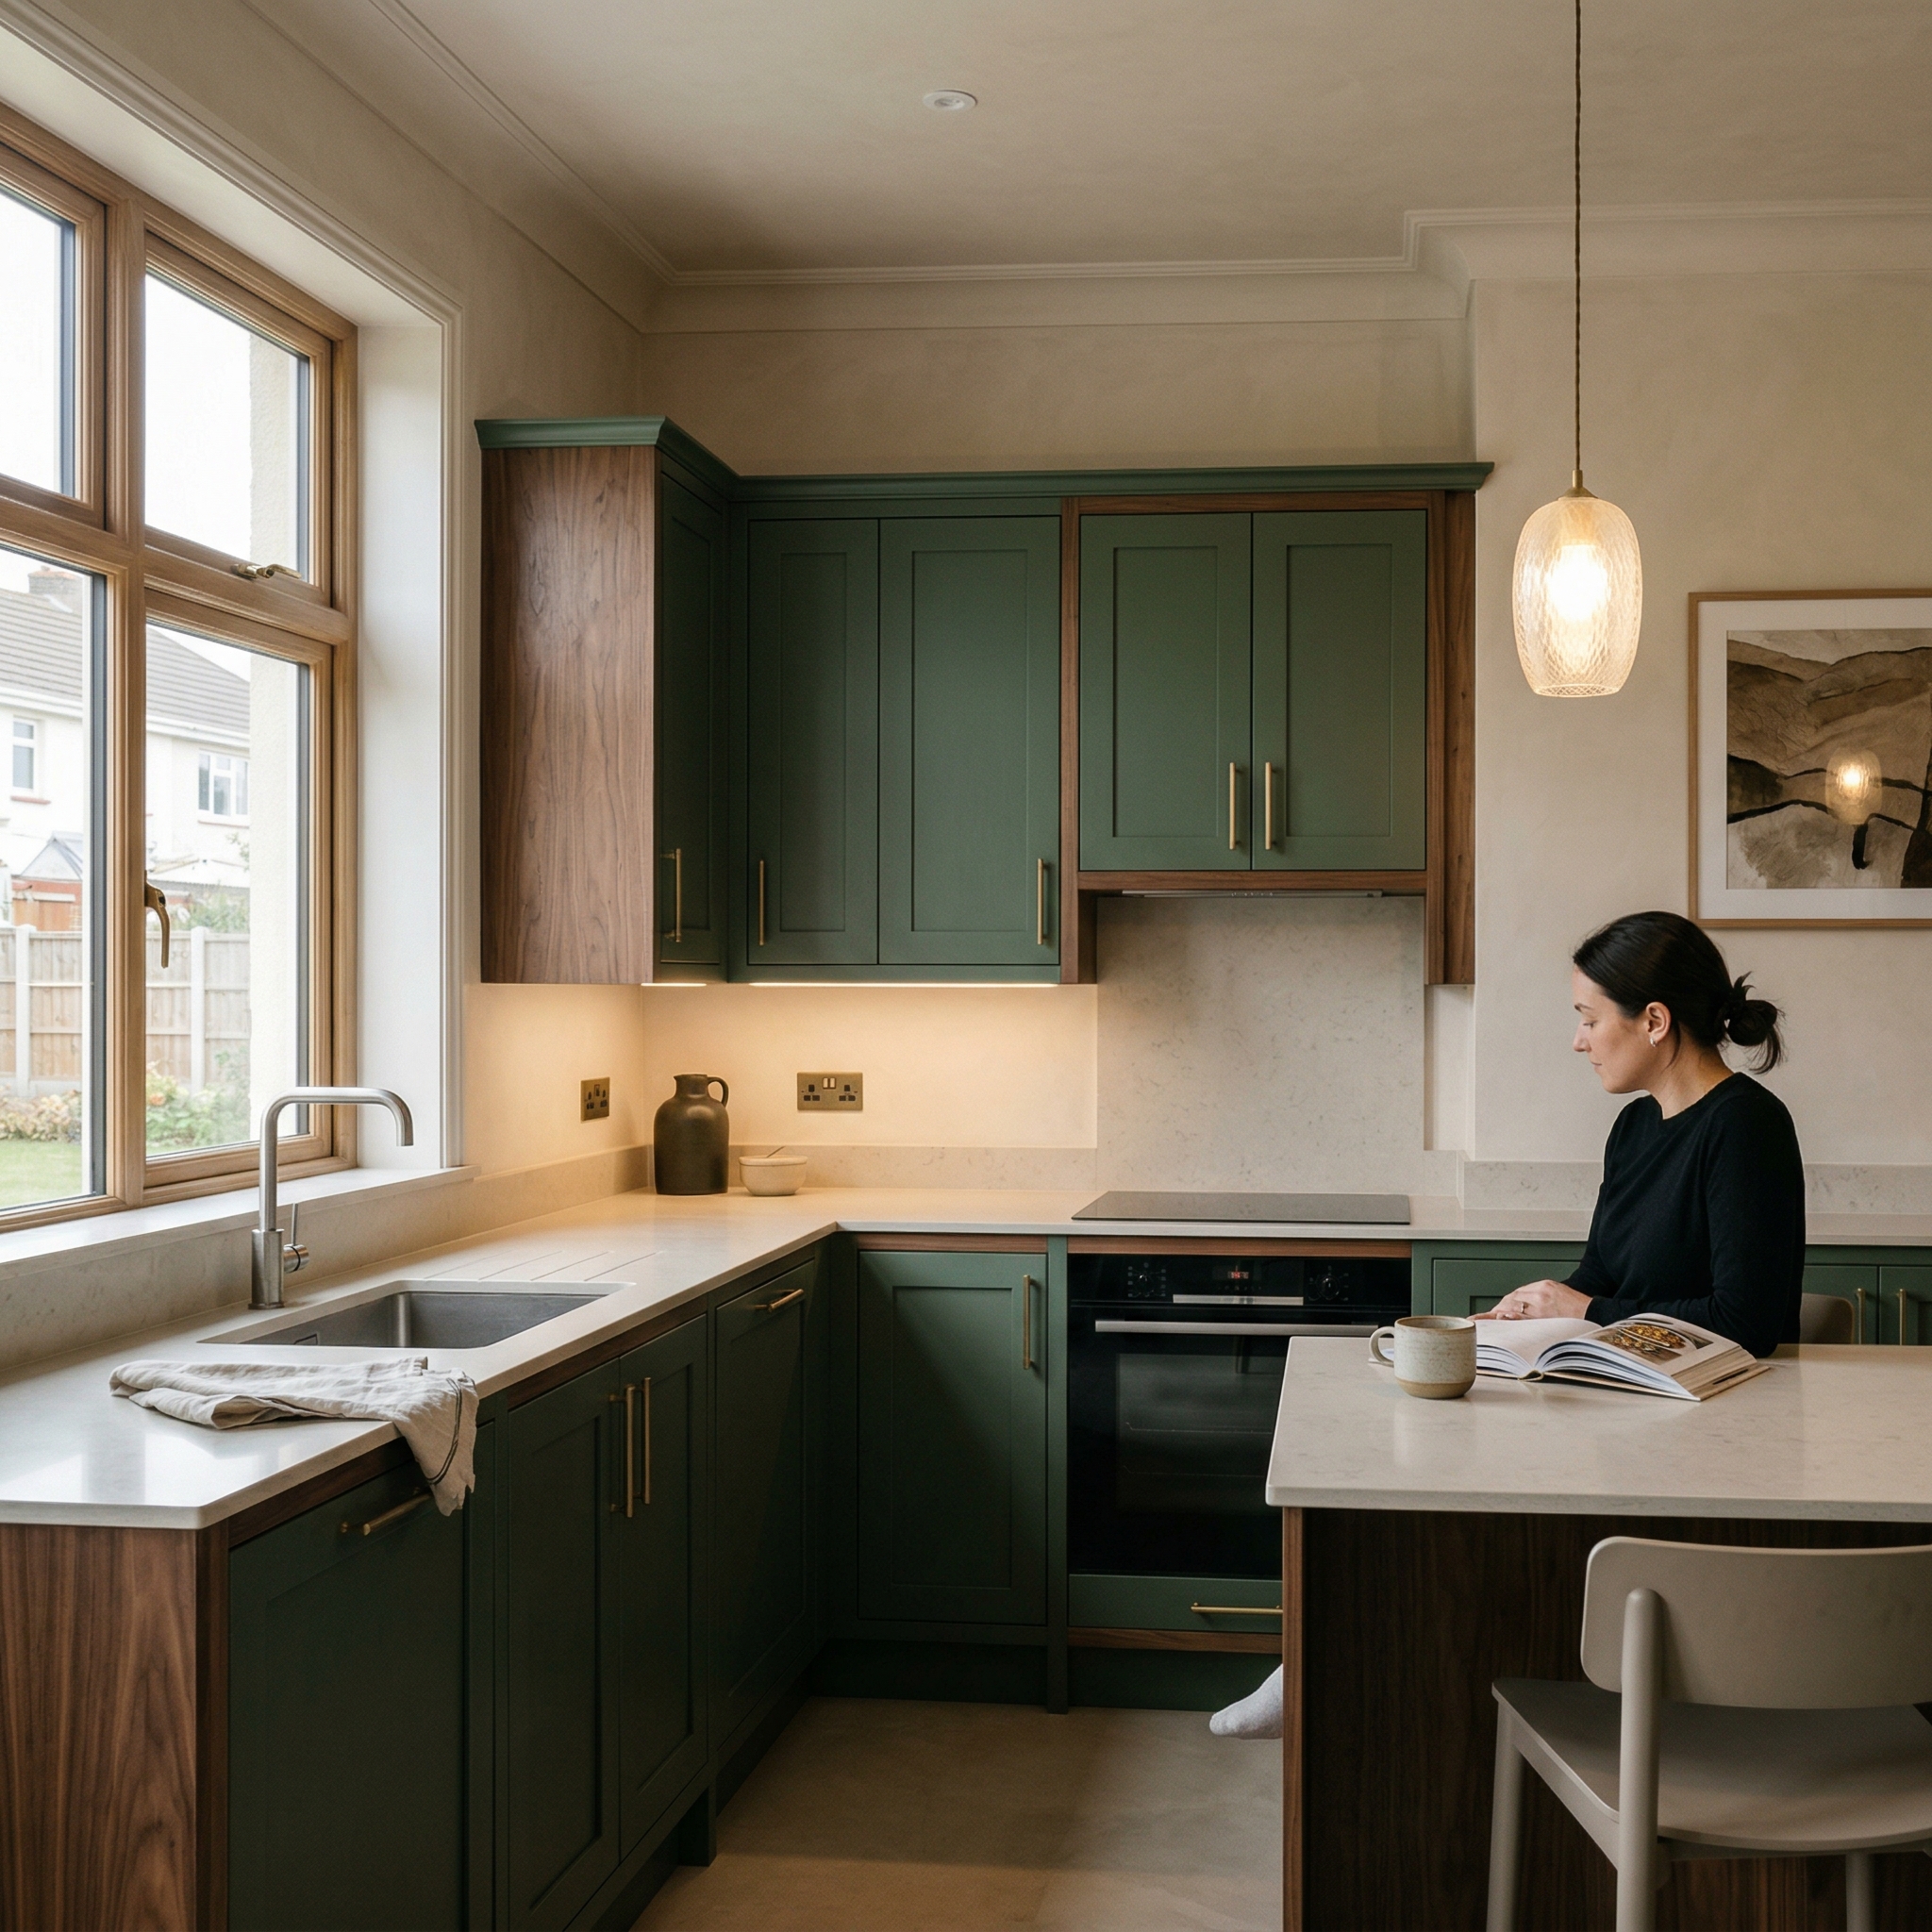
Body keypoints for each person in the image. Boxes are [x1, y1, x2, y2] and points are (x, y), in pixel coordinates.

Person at [1478, 909, 1804, 1357]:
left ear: (1654, 1021)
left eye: (1590, 1020)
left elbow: (1745, 1323)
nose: (1579, 1040)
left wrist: (1587, 1310)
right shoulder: (1633, 1126)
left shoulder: (1746, 1125)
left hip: (1725, 1406)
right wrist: (1525, 1312)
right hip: (1636, 1383)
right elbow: (1598, 1280)